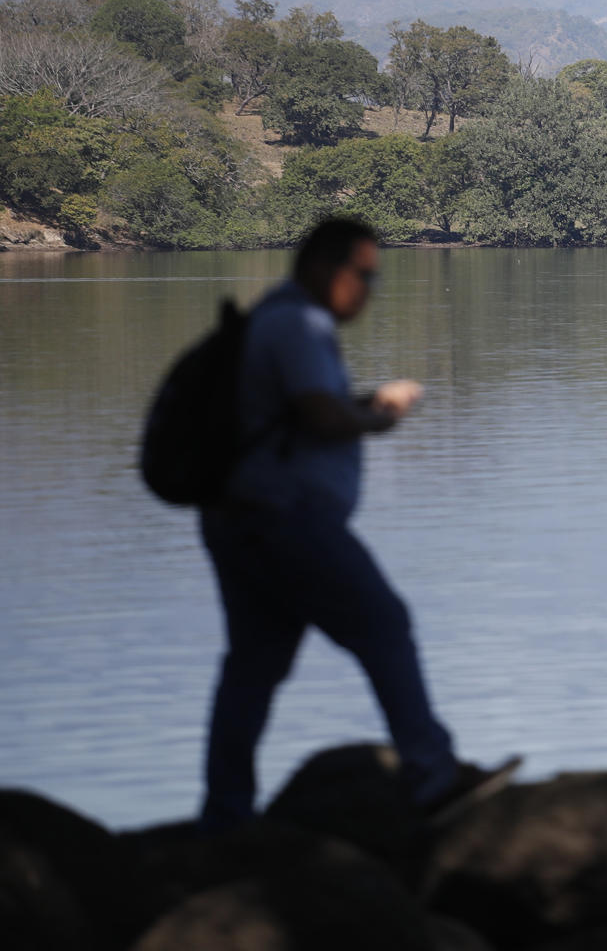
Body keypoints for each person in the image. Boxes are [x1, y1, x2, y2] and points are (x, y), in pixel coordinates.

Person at [197, 215, 516, 830]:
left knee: (254, 666)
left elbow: (298, 414)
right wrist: (384, 417)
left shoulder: (274, 318)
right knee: (383, 625)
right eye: (363, 275)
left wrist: (364, 405)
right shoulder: (300, 322)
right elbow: (320, 416)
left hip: (241, 519)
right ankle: (433, 776)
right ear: (324, 268)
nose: (370, 289)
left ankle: (224, 817)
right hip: (288, 522)